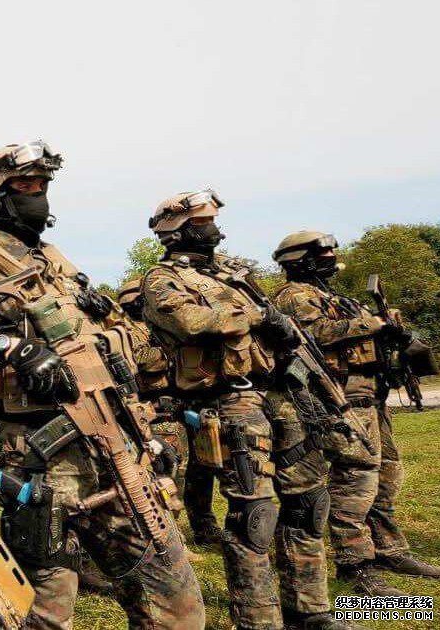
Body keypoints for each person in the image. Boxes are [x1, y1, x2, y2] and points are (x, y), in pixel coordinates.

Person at [0, 142, 205, 630]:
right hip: (39, 462)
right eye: (26, 186)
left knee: (175, 604)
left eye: (43, 186)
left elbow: (122, 348)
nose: (39, 196)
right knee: (46, 613)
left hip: (113, 450)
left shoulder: (61, 268)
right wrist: (7, 348)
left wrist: (143, 425)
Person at [140, 191, 359, 630]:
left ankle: (310, 609)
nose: (212, 228)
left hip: (280, 394)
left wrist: (281, 329)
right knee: (254, 515)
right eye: (201, 221)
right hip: (228, 400)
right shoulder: (161, 278)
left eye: (212, 219)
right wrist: (258, 317)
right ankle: (259, 619)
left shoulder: (230, 272)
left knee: (308, 502)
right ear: (176, 230)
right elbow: (191, 322)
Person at [272, 230, 440, 595]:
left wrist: (392, 331)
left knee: (387, 474)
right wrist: (375, 324)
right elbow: (314, 333)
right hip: (341, 398)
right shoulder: (293, 295)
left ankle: (389, 550)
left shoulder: (336, 298)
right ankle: (356, 564)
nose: (331, 257)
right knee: (355, 480)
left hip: (371, 396)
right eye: (322, 253)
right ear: (299, 260)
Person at [116, 280, 222, 547]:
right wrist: (174, 346)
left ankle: (204, 526)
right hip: (158, 416)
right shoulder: (124, 330)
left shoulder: (159, 325)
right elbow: (145, 362)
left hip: (187, 409)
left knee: (201, 471)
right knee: (169, 475)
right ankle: (171, 539)